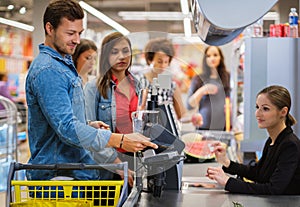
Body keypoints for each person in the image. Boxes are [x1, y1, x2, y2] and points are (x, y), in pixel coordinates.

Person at [25, 0, 157, 181]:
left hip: (72, 172)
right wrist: (118, 139)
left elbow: (61, 121)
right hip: (58, 178)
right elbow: (67, 129)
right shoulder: (49, 70)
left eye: (79, 33)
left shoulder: (62, 65)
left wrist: (87, 124)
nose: (77, 40)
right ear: (50, 28)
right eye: (70, 33)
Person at [207, 85, 300, 195]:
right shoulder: (272, 141)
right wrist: (226, 162)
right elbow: (258, 173)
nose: (257, 114)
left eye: (265, 109)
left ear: (283, 112)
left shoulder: (290, 145)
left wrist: (228, 182)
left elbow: (273, 189)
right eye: (257, 107)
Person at [84, 31, 141, 186]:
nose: (121, 56)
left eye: (125, 51)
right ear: (106, 57)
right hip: (106, 167)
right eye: (114, 52)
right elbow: (88, 133)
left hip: (136, 160)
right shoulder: (92, 88)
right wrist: (117, 165)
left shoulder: (140, 87)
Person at [137, 37, 187, 120]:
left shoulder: (169, 84)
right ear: (150, 60)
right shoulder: (139, 81)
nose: (163, 66)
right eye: (159, 61)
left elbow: (181, 114)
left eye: (166, 62)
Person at [187, 46, 230, 130]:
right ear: (205, 59)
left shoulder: (229, 77)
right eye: (208, 56)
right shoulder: (198, 79)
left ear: (220, 57)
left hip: (224, 127)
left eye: (215, 55)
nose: (212, 58)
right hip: (203, 127)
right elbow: (189, 105)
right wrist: (202, 91)